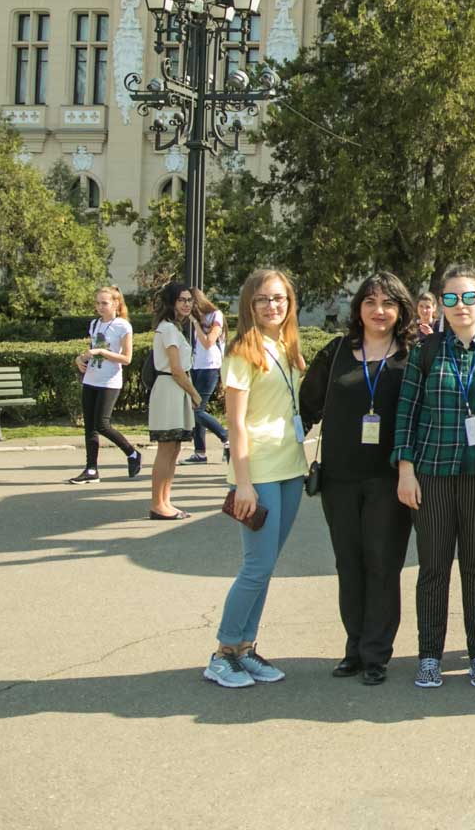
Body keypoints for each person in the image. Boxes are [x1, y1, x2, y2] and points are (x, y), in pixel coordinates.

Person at [393, 264, 475, 690]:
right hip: (432, 475)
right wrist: (405, 470)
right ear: (441, 304)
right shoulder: (426, 352)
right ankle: (429, 655)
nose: (460, 305)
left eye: (468, 297)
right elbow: (407, 414)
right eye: (450, 298)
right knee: (433, 568)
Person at [301, 271, 417, 685]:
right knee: (348, 564)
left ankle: (376, 653)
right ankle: (354, 646)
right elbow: (306, 407)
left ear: (401, 310)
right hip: (340, 479)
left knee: (382, 564)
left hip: (390, 480)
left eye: (388, 303)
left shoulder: (412, 357)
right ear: (358, 309)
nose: (379, 311)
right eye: (370, 302)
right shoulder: (336, 353)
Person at [204, 268, 309, 689]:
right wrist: (243, 483)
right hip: (258, 471)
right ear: (249, 304)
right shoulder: (241, 352)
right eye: (263, 299)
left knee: (267, 567)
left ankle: (245, 648)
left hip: (290, 468)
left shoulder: (287, 346)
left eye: (279, 298)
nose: (272, 305)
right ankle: (222, 653)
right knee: (256, 566)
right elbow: (236, 423)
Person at [66, 285, 139, 485]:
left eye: (104, 303)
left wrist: (101, 352)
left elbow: (127, 358)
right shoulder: (95, 324)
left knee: (102, 424)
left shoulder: (123, 326)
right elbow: (92, 350)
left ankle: (132, 453)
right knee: (90, 427)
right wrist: (80, 359)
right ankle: (91, 470)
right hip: (91, 379)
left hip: (109, 382)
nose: (100, 307)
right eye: (97, 303)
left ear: (116, 303)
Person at [146, 283, 200, 521]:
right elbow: (176, 369)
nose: (187, 304)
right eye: (181, 300)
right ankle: (158, 504)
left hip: (176, 389)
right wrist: (195, 394)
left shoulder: (175, 328)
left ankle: (165, 500)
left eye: (189, 300)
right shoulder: (167, 329)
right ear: (171, 302)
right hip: (170, 388)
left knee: (174, 448)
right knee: (166, 448)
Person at [186, 290, 229, 464]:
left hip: (210, 366)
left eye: (188, 301)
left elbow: (208, 342)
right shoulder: (198, 319)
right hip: (197, 366)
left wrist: (196, 323)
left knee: (197, 411)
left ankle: (225, 436)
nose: (186, 306)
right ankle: (200, 452)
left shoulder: (215, 315)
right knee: (195, 409)